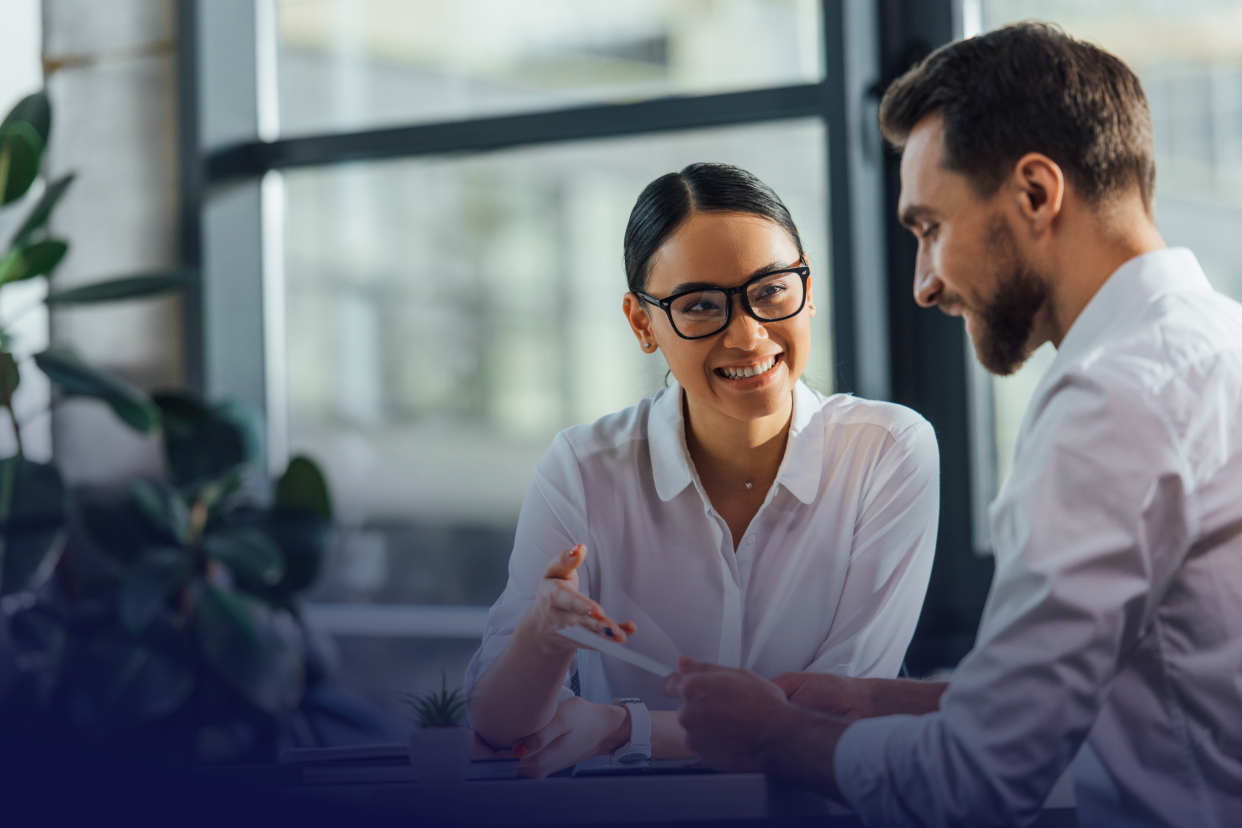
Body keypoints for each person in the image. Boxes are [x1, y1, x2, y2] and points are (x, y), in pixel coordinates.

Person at [665, 23, 1242, 828]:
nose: (923, 286)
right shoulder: (1220, 347)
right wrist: (875, 701)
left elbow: (972, 782)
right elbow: (1160, 685)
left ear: (1037, 193)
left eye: (930, 229)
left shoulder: (1111, 403)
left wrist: (774, 735)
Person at [465, 163, 940, 778]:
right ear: (643, 323)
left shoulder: (888, 450)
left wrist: (623, 726)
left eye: (772, 290)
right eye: (700, 306)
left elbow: (841, 707)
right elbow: (498, 726)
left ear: (808, 286)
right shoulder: (583, 468)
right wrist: (543, 634)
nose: (747, 335)